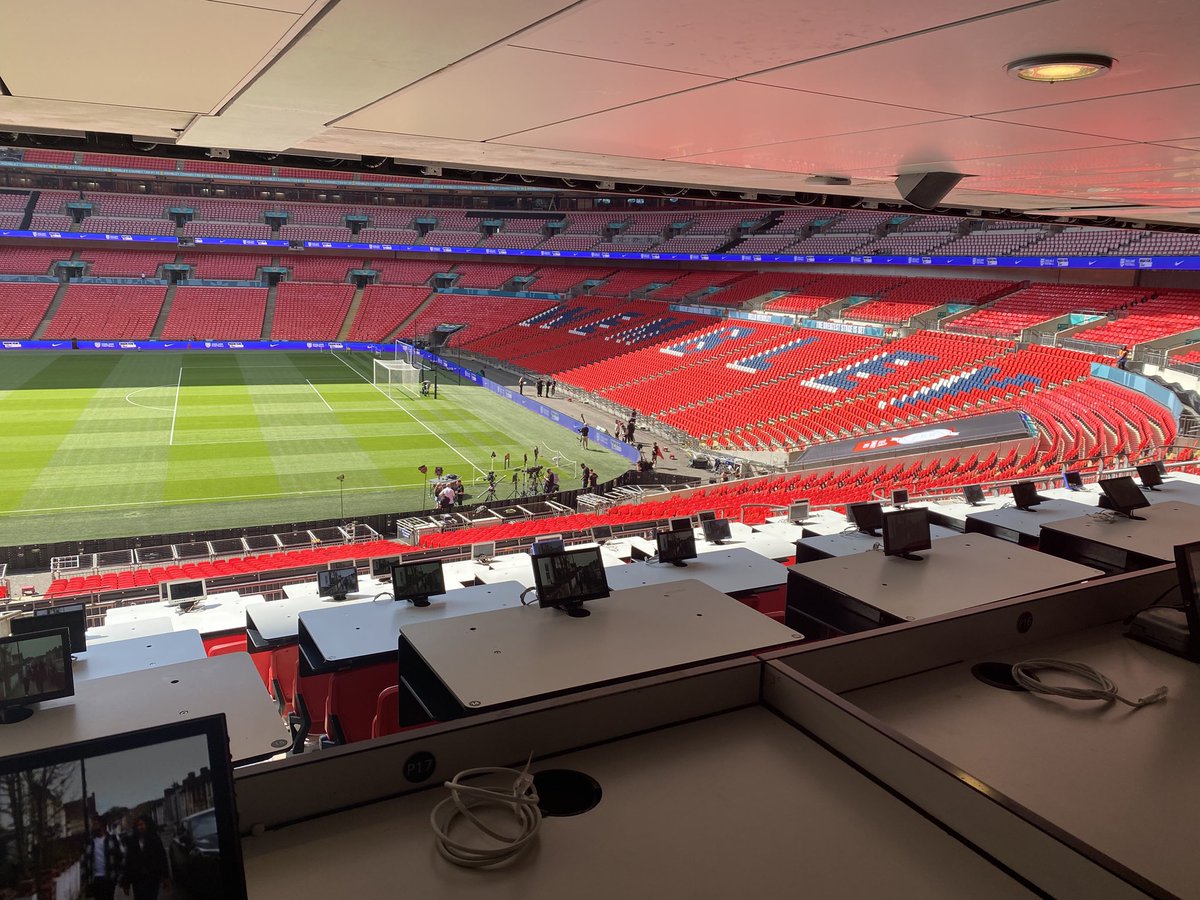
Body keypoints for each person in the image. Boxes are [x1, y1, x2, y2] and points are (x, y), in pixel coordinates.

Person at [122, 815, 168, 900]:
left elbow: (162, 857)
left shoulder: (154, 839)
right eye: (138, 825)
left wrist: (165, 876)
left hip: (152, 877)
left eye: (142, 824)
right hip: (138, 879)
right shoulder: (132, 841)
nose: (140, 827)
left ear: (147, 824)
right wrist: (126, 883)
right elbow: (128, 862)